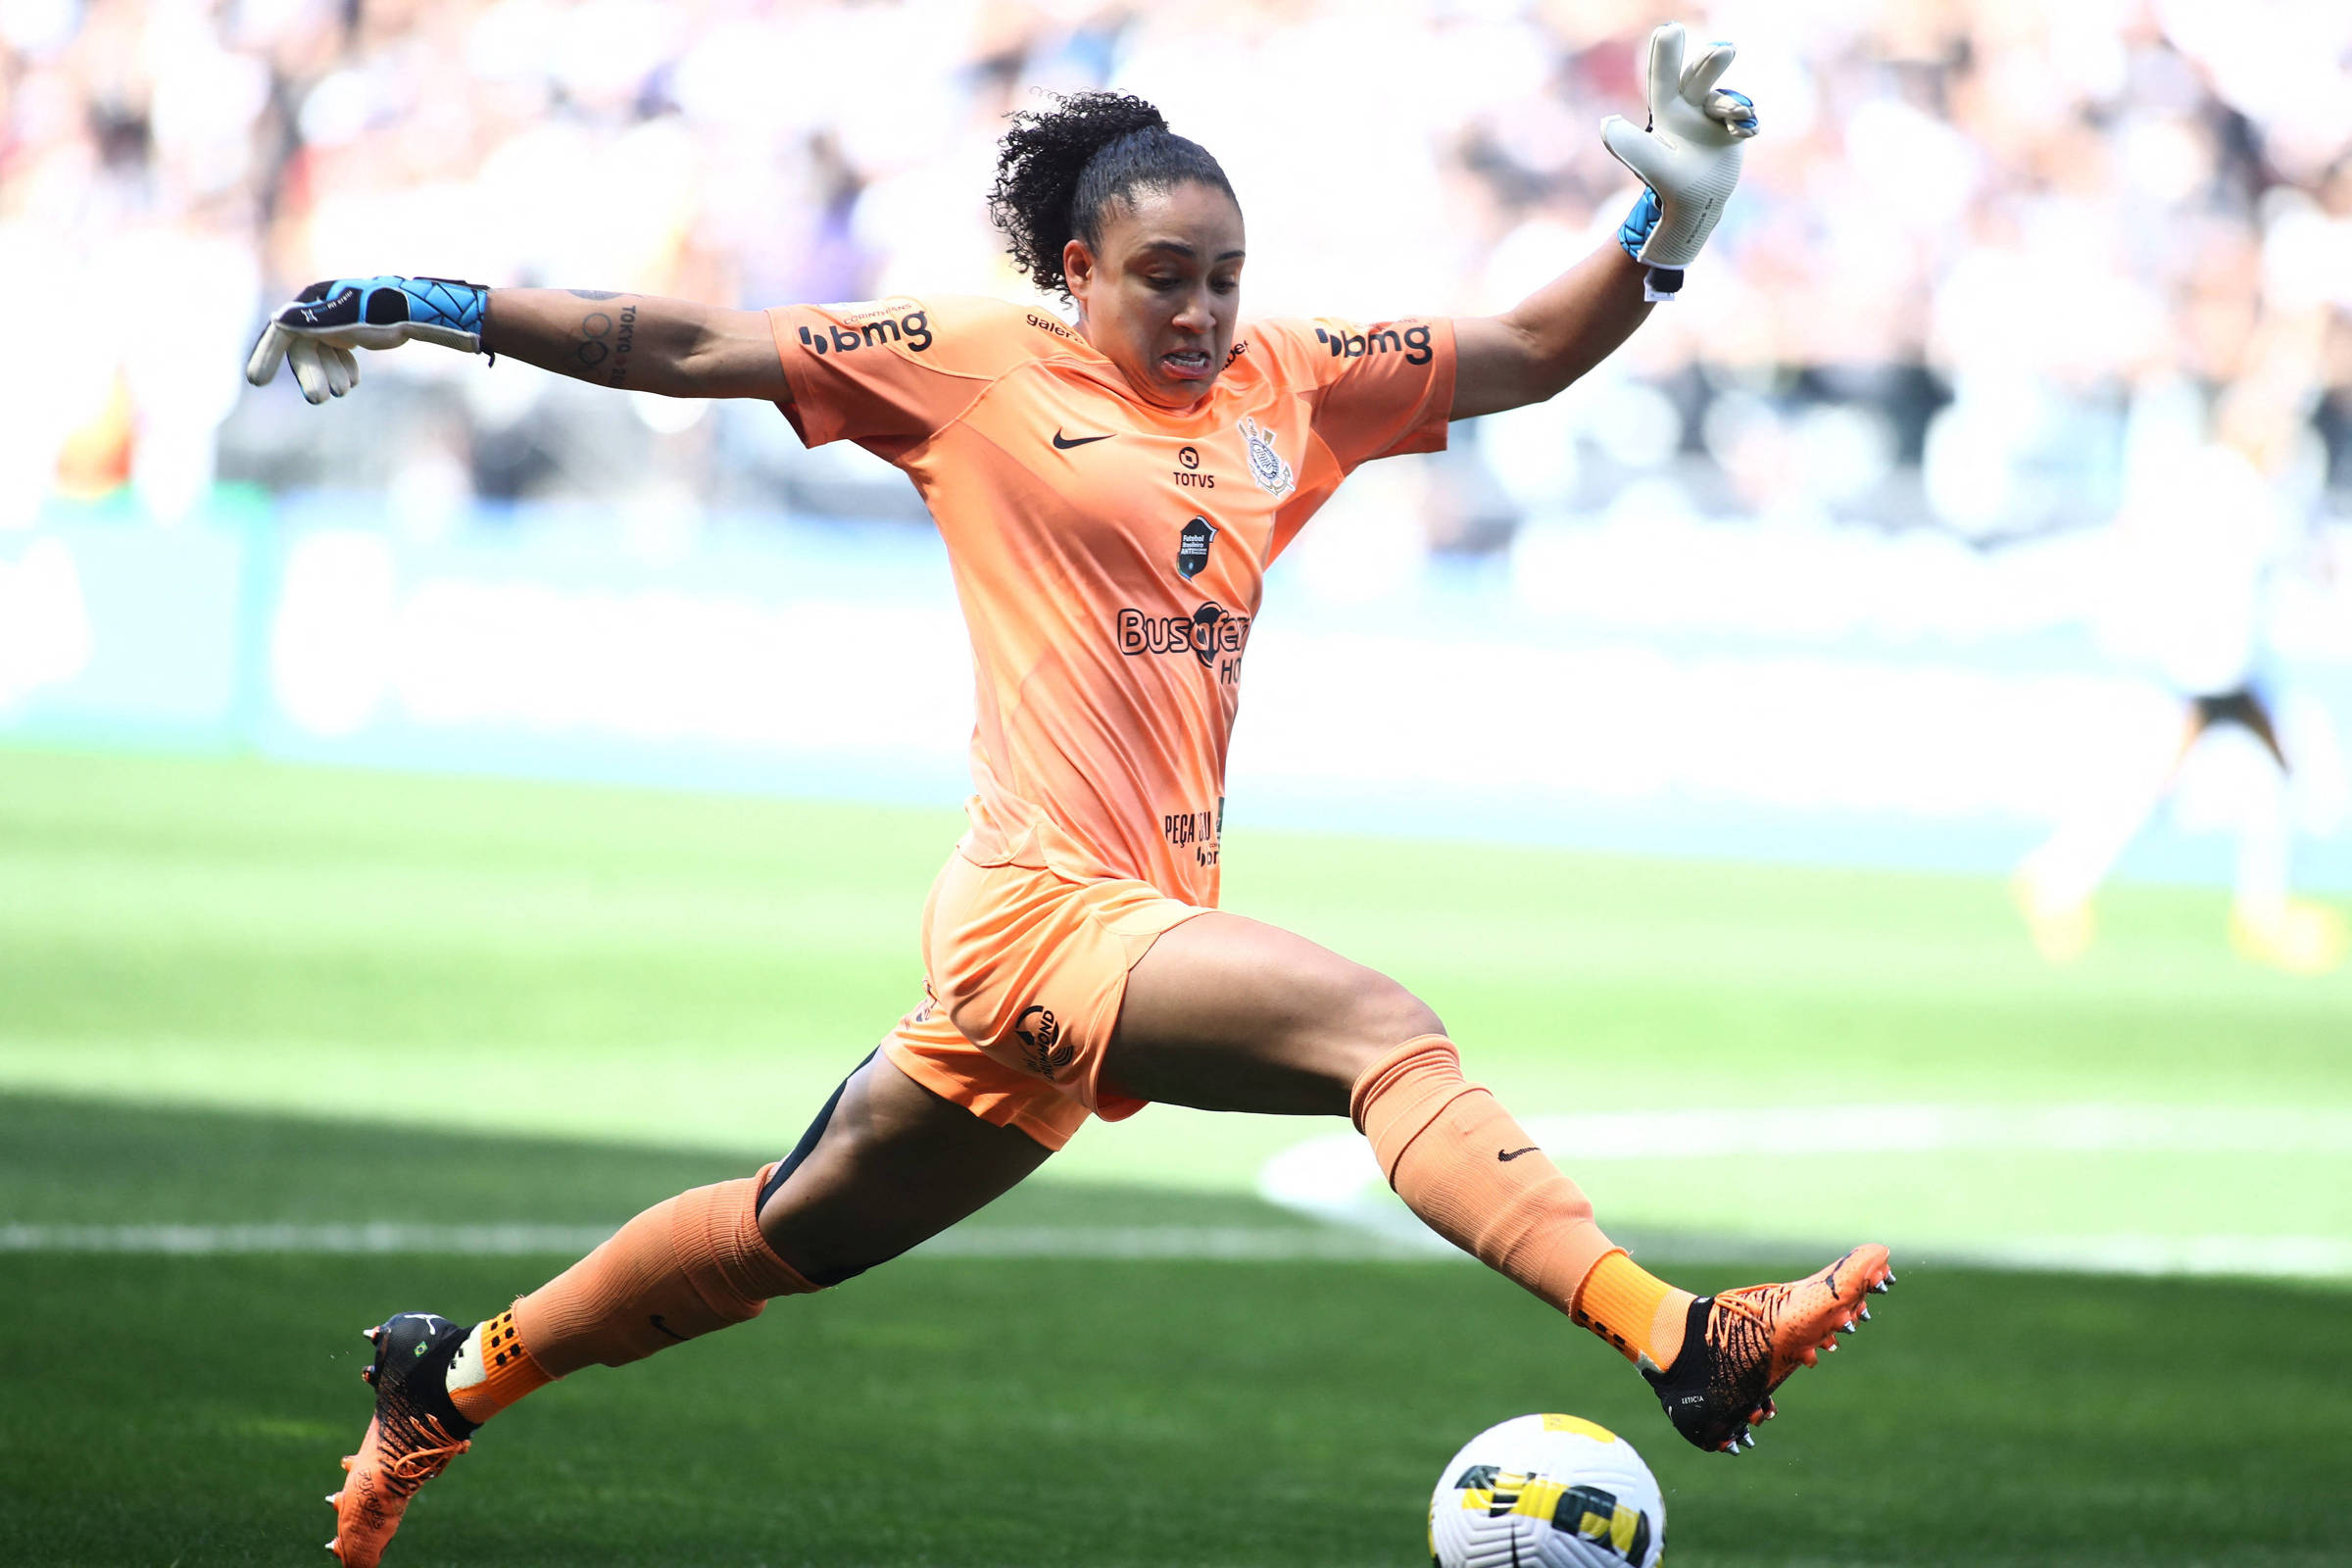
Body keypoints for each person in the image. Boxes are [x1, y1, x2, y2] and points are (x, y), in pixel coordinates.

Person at [249, 29, 1890, 1568]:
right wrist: (438, 304)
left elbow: (1530, 351)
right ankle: (1685, 1339)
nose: (1201, 313)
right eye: (1163, 279)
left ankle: (443, 1384)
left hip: (1127, 927)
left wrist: (1665, 220)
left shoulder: (1289, 383)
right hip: (1043, 912)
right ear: (1074, 270)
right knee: (1379, 1035)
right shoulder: (971, 363)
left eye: (1226, 280)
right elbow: (689, 344)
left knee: (783, 1231)